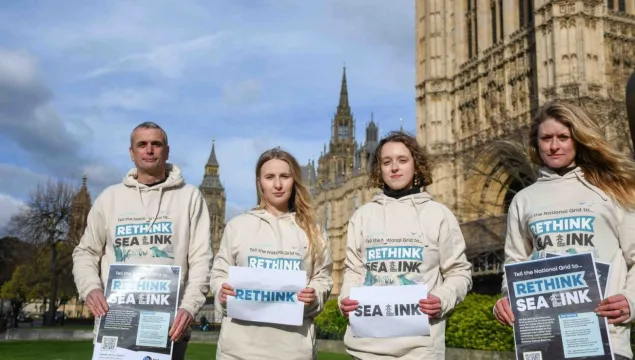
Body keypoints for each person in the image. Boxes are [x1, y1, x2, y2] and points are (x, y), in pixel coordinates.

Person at [493, 100, 635, 360]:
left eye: (563, 137)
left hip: (605, 339)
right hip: (545, 343)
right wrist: (506, 300)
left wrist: (631, 300)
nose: (554, 145)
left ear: (578, 139)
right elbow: (515, 264)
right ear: (536, 144)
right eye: (546, 138)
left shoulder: (612, 190)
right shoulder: (524, 199)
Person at [72, 122, 213, 360]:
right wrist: (90, 288)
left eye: (156, 144)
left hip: (169, 331)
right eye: (142, 144)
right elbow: (85, 252)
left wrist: (189, 307)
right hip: (115, 328)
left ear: (166, 151)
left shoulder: (190, 197)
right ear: (132, 152)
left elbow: (202, 260)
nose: (149, 150)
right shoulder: (110, 198)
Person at [338, 131, 473, 359]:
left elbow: (459, 272)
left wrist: (442, 298)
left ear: (416, 165)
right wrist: (345, 298)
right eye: (387, 162)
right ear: (378, 168)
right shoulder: (362, 216)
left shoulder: (439, 214)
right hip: (365, 348)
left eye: (402, 160)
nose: (394, 168)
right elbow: (354, 270)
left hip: (420, 349)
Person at [210, 147, 333, 360]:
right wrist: (221, 291)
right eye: (270, 177)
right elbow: (219, 274)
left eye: (284, 176)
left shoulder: (313, 230)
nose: (277, 184)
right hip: (238, 351)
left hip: (293, 350)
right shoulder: (238, 226)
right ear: (260, 183)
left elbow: (322, 279)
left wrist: (313, 296)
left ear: (294, 180)